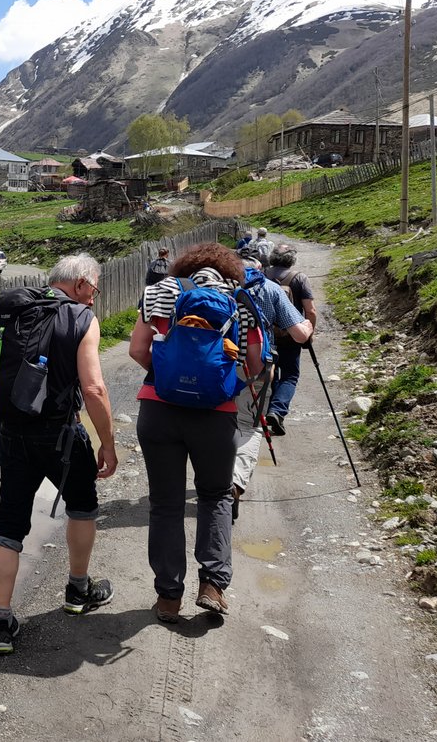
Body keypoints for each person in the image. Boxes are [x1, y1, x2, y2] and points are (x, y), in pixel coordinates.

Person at [0, 252, 118, 655]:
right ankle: (78, 590)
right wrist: (108, 443)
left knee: (9, 523)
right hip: (61, 434)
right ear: (80, 284)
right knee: (82, 506)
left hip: (10, 432)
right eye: (93, 289)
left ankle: (1, 621)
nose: (94, 298)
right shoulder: (81, 319)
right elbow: (94, 389)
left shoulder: (15, 307)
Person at [128, 242, 265, 623]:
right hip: (215, 414)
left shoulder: (158, 292)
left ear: (182, 267)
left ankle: (169, 596)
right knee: (216, 496)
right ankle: (213, 586)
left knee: (165, 504)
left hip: (158, 409)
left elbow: (138, 350)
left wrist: (167, 376)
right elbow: (254, 363)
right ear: (230, 269)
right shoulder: (240, 299)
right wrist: (223, 384)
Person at [233, 254, 313, 520]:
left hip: (215, 368)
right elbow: (300, 334)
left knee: (217, 427)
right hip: (253, 370)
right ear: (259, 270)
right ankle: (234, 481)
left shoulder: (219, 286)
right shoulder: (269, 288)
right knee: (248, 427)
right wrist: (309, 324)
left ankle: (214, 480)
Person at [264, 244, 316, 436]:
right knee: (290, 375)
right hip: (291, 334)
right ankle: (277, 411)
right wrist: (309, 334)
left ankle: (267, 410)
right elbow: (310, 310)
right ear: (292, 259)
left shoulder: (262, 275)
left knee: (269, 373)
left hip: (266, 335)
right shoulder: (299, 278)